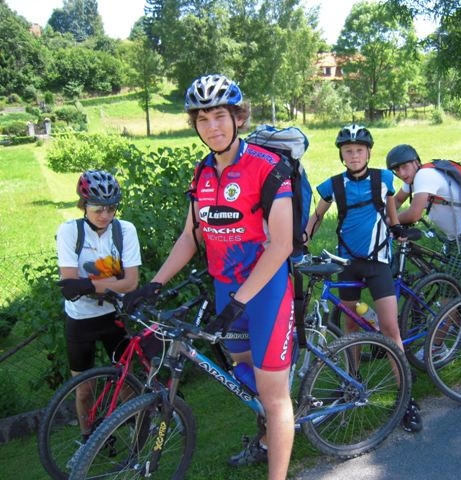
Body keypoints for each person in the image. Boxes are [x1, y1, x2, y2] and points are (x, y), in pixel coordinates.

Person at [123, 74, 295, 479]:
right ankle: (268, 435)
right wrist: (154, 284)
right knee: (246, 376)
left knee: (274, 398)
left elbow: (282, 245)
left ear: (238, 118)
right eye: (202, 119)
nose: (212, 127)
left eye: (219, 116)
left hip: (265, 294)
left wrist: (240, 302)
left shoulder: (268, 168)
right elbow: (191, 236)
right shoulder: (202, 173)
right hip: (226, 292)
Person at [305, 124, 422, 433]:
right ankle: (352, 377)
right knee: (350, 324)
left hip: (378, 263)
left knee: (390, 329)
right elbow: (317, 216)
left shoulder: (383, 179)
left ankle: (406, 397)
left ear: (369, 153)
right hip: (347, 263)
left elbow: (391, 208)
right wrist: (301, 241)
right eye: (348, 151)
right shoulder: (333, 185)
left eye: (359, 150)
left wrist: (396, 229)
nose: (354, 155)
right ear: (341, 155)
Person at [56, 170, 141, 445]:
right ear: (84, 205)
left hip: (114, 316)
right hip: (81, 319)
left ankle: (136, 426)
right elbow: (70, 284)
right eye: (97, 209)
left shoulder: (125, 230)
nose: (105, 215)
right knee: (84, 389)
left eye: (111, 208)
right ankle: (88, 438)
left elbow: (131, 282)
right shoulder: (70, 231)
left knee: (126, 379)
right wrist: (111, 283)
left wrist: (88, 285)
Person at [387, 144, 461, 293]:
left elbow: (414, 214)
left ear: (416, 162)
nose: (402, 173)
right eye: (397, 170)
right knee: (449, 285)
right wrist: (378, 216)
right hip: (455, 238)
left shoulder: (424, 175)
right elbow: (396, 201)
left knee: (453, 293)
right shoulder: (413, 179)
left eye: (405, 167)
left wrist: (388, 221)